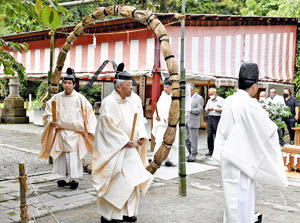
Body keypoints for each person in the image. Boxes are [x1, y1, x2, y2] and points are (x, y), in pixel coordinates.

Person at [213, 62, 288, 223]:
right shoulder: (250, 104)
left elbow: (223, 131)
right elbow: (268, 132)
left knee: (231, 199)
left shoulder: (229, 101)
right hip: (243, 159)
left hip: (228, 158)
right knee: (243, 200)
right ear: (254, 85)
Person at [91, 70, 153, 223]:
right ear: (118, 87)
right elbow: (107, 127)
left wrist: (140, 135)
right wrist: (124, 140)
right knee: (114, 181)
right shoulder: (108, 102)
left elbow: (139, 121)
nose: (131, 87)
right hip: (115, 150)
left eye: (131, 84)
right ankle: (110, 215)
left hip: (130, 149)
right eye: (128, 85)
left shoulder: (132, 102)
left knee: (132, 180)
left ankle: (128, 212)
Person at [39, 68, 97, 189]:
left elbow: (89, 114)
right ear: (62, 84)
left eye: (69, 83)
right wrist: (51, 121)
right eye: (65, 83)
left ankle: (73, 178)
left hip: (75, 133)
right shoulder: (56, 98)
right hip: (61, 131)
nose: (67, 85)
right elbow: (48, 112)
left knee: (73, 157)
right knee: (61, 157)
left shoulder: (80, 98)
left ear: (74, 84)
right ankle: (62, 177)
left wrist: (91, 129)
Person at [152, 77, 178, 166]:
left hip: (172, 124)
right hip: (161, 124)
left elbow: (176, 110)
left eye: (167, 87)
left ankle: (171, 160)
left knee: (173, 143)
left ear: (171, 87)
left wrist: (169, 118)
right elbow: (158, 109)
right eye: (164, 87)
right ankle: (155, 158)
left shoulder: (175, 97)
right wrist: (157, 116)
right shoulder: (162, 96)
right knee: (159, 141)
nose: (165, 89)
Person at [185, 83, 204, 162]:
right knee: (185, 139)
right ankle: (191, 153)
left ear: (193, 89)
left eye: (189, 90)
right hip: (186, 120)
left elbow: (200, 109)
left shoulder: (199, 98)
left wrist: (191, 110)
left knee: (193, 140)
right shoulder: (187, 98)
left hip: (194, 121)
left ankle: (193, 154)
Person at [204, 87, 224, 156]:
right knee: (209, 135)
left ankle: (218, 151)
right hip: (210, 118)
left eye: (212, 94)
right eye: (209, 94)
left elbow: (224, 109)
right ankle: (210, 151)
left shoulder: (221, 100)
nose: (210, 96)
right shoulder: (209, 100)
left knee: (217, 135)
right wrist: (208, 110)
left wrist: (215, 109)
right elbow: (206, 109)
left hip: (217, 118)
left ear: (215, 93)